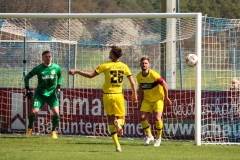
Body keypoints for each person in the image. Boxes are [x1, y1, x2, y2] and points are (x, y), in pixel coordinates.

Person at [68, 46, 137, 152]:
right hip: (118, 95)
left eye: (110, 52)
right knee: (121, 118)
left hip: (107, 95)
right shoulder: (124, 66)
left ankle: (117, 145)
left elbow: (91, 75)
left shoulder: (105, 65)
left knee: (110, 119)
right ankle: (118, 123)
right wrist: (134, 95)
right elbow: (132, 82)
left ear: (113, 55)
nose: (109, 54)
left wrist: (77, 71)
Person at [24, 50, 62, 138]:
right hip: (40, 94)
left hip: (52, 94)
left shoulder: (56, 67)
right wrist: (28, 90)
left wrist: (58, 86)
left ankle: (53, 131)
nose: (48, 58)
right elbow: (27, 78)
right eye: (46, 57)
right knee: (34, 111)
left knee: (56, 112)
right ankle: (29, 129)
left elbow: (60, 75)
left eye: (49, 57)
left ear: (51, 58)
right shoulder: (38, 68)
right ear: (42, 58)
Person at [136, 57, 172, 147]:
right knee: (142, 117)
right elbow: (140, 89)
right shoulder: (138, 76)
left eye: (145, 63)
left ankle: (159, 138)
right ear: (140, 64)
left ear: (149, 65)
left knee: (157, 117)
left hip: (158, 99)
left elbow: (164, 84)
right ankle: (149, 135)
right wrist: (140, 101)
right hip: (147, 100)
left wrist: (166, 97)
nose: (144, 65)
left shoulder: (154, 75)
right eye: (142, 63)